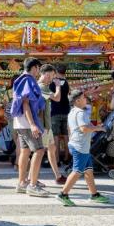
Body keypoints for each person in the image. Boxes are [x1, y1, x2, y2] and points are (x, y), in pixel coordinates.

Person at [57, 90, 109, 206]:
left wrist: (95, 126)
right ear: (77, 101)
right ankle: (63, 194)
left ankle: (94, 194)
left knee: (88, 170)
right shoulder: (80, 113)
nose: (86, 99)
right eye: (84, 97)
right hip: (80, 147)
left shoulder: (73, 112)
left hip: (77, 145)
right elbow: (83, 129)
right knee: (77, 171)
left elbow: (78, 127)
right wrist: (98, 129)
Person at [12, 58, 49, 197]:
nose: (39, 72)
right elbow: (26, 103)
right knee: (39, 151)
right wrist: (33, 124)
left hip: (20, 122)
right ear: (34, 67)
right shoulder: (28, 80)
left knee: (25, 151)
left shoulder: (20, 79)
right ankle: (32, 185)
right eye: (38, 68)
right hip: (28, 123)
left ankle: (22, 182)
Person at [37, 64, 66, 184]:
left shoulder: (44, 86)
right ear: (47, 74)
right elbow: (57, 98)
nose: (53, 79)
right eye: (53, 76)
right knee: (39, 153)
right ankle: (32, 179)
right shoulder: (41, 87)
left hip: (46, 124)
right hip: (42, 125)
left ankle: (58, 175)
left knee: (51, 148)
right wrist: (58, 86)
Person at [49, 64, 70, 165]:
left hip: (55, 112)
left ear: (56, 72)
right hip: (66, 111)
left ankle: (57, 159)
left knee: (55, 136)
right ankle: (67, 157)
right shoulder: (66, 83)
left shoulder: (52, 83)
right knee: (66, 136)